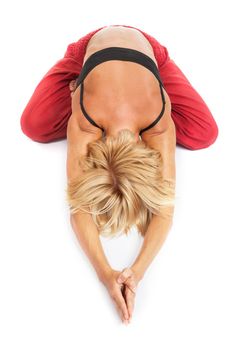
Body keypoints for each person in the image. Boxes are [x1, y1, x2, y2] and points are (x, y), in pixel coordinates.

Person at [20, 24, 219, 325]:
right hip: (90, 49)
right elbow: (79, 206)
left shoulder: (157, 120)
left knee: (206, 134)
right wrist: (109, 272)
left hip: (148, 53)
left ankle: (148, 82)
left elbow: (163, 209)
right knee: (32, 125)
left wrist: (134, 271)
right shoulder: (87, 119)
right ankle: (91, 81)